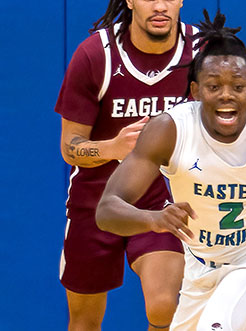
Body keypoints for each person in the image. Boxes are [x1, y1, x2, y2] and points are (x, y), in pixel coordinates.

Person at [96, 10, 246, 331]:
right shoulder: (169, 131)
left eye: (237, 86)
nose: (226, 96)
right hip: (199, 268)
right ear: (194, 91)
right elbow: (107, 210)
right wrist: (153, 219)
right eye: (213, 85)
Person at [54, 0, 199, 329]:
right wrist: (113, 147)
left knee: (165, 308)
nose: (159, 5)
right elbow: (69, 146)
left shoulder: (201, 51)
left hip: (163, 200)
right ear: (130, 1)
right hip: (95, 198)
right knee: (84, 321)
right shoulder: (96, 55)